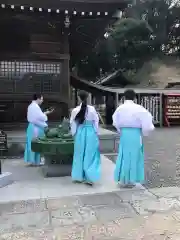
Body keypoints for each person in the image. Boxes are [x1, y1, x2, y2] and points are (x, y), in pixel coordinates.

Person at [112, 89, 155, 187]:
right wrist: (145, 132)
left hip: (124, 134)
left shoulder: (120, 108)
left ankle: (123, 180)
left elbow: (115, 122)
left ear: (124, 97)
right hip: (135, 134)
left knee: (123, 156)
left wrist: (120, 130)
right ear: (135, 98)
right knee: (135, 156)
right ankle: (132, 180)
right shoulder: (139, 108)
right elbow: (147, 122)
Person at [70, 90, 101, 185]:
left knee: (79, 154)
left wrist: (74, 133)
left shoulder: (75, 110)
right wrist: (96, 132)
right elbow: (96, 121)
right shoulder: (92, 109)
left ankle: (78, 176)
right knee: (90, 154)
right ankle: (89, 177)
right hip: (90, 131)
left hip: (80, 131)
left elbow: (73, 123)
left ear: (78, 98)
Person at [24, 93, 53, 166]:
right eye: (42, 99)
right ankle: (35, 161)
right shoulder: (35, 107)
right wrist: (45, 114)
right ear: (38, 99)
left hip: (32, 126)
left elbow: (37, 116)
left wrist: (45, 113)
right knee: (36, 144)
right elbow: (41, 118)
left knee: (31, 143)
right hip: (36, 127)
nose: (42, 101)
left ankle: (33, 160)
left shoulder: (31, 106)